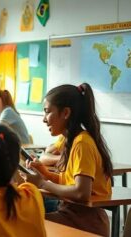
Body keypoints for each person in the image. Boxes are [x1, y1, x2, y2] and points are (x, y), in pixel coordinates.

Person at [21, 83, 113, 236]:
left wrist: (42, 183)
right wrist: (46, 174)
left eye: (47, 112)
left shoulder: (82, 143)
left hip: (86, 222)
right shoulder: (71, 140)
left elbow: (81, 192)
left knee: (26, 225)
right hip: (71, 215)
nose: (44, 119)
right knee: (23, 220)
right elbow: (70, 181)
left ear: (65, 113)